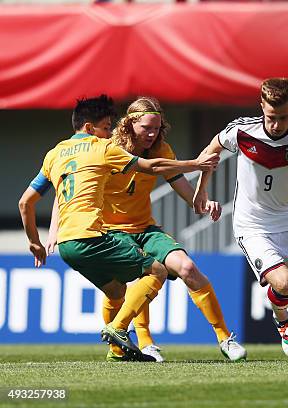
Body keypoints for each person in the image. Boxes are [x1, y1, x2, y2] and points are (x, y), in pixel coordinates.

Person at [18, 95, 220, 361]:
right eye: (105, 127)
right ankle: (119, 329)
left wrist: (36, 240)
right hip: (94, 235)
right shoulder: (102, 148)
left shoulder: (54, 154)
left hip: (67, 245)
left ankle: (116, 351)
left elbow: (26, 202)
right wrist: (194, 164)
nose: (109, 132)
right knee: (156, 270)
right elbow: (151, 166)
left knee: (115, 290)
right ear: (90, 128)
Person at [194, 78, 288, 339]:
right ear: (261, 106)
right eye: (271, 117)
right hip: (251, 225)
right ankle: (283, 321)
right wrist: (201, 190)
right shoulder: (242, 131)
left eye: (283, 118)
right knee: (284, 282)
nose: (276, 125)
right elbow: (211, 150)